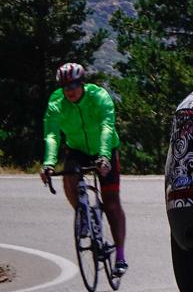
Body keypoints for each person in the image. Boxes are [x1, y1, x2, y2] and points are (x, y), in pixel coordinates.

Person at [40, 62, 128, 276]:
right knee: (68, 177)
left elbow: (107, 127)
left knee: (112, 202)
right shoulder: (56, 103)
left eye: (73, 86)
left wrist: (105, 157)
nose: (69, 91)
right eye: (65, 87)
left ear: (83, 84)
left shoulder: (99, 97)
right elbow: (52, 135)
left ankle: (120, 256)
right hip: (77, 149)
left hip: (104, 147)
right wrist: (49, 162)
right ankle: (82, 214)